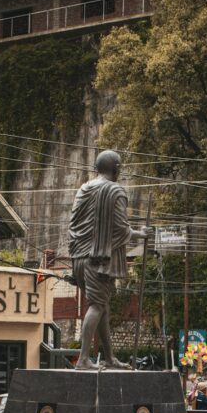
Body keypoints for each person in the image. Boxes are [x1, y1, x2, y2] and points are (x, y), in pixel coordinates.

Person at [68, 150, 152, 370]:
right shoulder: (115, 191)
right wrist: (141, 234)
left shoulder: (83, 190)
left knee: (102, 307)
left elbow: (73, 225)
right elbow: (121, 229)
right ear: (116, 168)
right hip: (99, 260)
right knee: (97, 306)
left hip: (78, 258)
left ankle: (109, 357)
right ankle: (83, 359)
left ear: (96, 168)